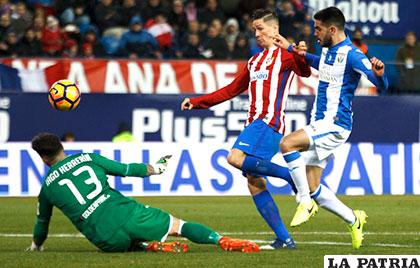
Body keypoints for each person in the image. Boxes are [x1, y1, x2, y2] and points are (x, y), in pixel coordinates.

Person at [181, 9, 311, 250]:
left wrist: (297, 51)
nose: (257, 34)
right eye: (254, 30)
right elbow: (230, 90)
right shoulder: (254, 61)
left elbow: (304, 71)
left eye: (261, 28)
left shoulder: (285, 56)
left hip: (269, 121)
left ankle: (290, 176)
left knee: (235, 157)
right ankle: (285, 239)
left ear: (275, 30)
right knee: (254, 182)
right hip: (254, 123)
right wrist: (198, 102)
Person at [27, 133, 259, 253]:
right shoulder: (87, 158)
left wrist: (37, 246)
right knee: (179, 226)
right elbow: (126, 170)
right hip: (127, 214)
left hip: (105, 240)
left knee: (121, 241)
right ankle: (220, 240)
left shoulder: (47, 187)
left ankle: (146, 246)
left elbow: (42, 223)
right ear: (61, 147)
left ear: (43, 158)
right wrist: (155, 169)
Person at [274, 7, 388, 249]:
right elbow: (320, 63)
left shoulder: (353, 55)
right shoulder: (327, 50)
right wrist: (290, 48)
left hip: (336, 124)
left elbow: (380, 83)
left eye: (318, 28)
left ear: (332, 29)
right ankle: (353, 218)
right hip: (321, 121)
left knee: (287, 143)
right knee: (314, 186)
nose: (314, 32)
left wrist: (380, 75)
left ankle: (303, 201)